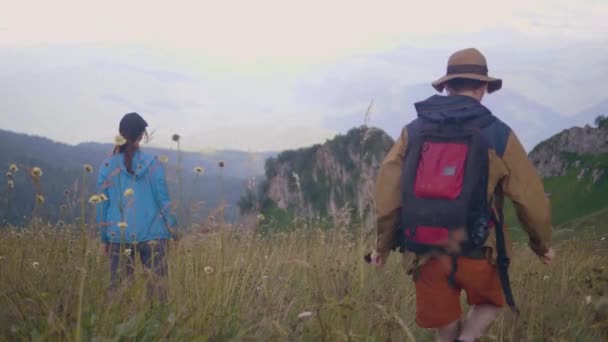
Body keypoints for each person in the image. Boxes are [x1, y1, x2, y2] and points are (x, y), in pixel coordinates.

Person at [370, 48, 555, 342]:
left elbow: (388, 195)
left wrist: (381, 246)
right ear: (483, 89)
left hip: (425, 250)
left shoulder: (412, 132)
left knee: (444, 325)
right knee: (490, 304)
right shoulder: (498, 134)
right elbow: (530, 199)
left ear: (445, 87)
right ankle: (468, 339)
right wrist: (541, 244)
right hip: (479, 248)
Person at [96, 112, 178, 300]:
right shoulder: (154, 164)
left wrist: (105, 238)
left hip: (119, 236)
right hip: (155, 236)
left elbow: (102, 206)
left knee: (117, 298)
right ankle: (160, 329)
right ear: (142, 135)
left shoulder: (107, 165)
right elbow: (163, 201)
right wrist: (174, 231)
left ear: (120, 133)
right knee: (159, 297)